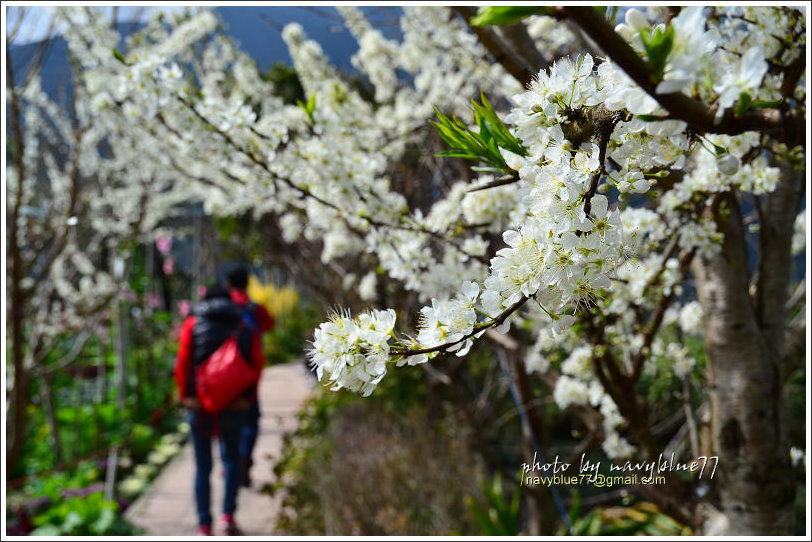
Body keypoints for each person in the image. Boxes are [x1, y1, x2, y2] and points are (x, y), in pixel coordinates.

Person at [174, 284, 265, 536]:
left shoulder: (193, 324)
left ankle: (204, 523)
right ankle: (228, 516)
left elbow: (182, 364)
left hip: (200, 404)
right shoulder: (244, 326)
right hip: (233, 404)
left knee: (203, 466)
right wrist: (247, 399)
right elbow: (256, 366)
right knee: (231, 460)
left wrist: (186, 396)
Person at [225, 266, 275, 488]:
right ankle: (244, 456)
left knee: (227, 419)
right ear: (248, 284)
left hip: (225, 371)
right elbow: (270, 325)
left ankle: (231, 463)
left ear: (229, 284)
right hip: (250, 372)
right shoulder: (253, 308)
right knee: (251, 418)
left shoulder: (225, 307)